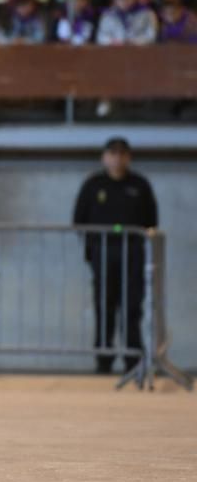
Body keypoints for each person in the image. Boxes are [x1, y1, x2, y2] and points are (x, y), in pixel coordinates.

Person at [73, 137, 158, 374]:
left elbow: (151, 221)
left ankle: (133, 360)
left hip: (133, 253)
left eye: (122, 154)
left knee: (132, 306)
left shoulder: (140, 185)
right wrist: (92, 248)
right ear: (104, 157)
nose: (117, 158)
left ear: (128, 157)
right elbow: (79, 219)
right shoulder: (93, 185)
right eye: (113, 153)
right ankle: (104, 359)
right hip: (103, 252)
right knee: (104, 305)